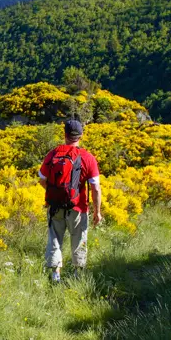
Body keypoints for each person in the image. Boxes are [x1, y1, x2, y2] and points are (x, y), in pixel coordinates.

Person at [38, 119, 102, 283]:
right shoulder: (88, 157)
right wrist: (97, 212)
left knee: (54, 238)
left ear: (65, 134)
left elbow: (42, 179)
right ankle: (77, 274)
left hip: (55, 207)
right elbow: (95, 188)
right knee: (79, 239)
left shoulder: (53, 154)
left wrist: (54, 192)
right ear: (81, 135)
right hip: (78, 208)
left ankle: (55, 275)